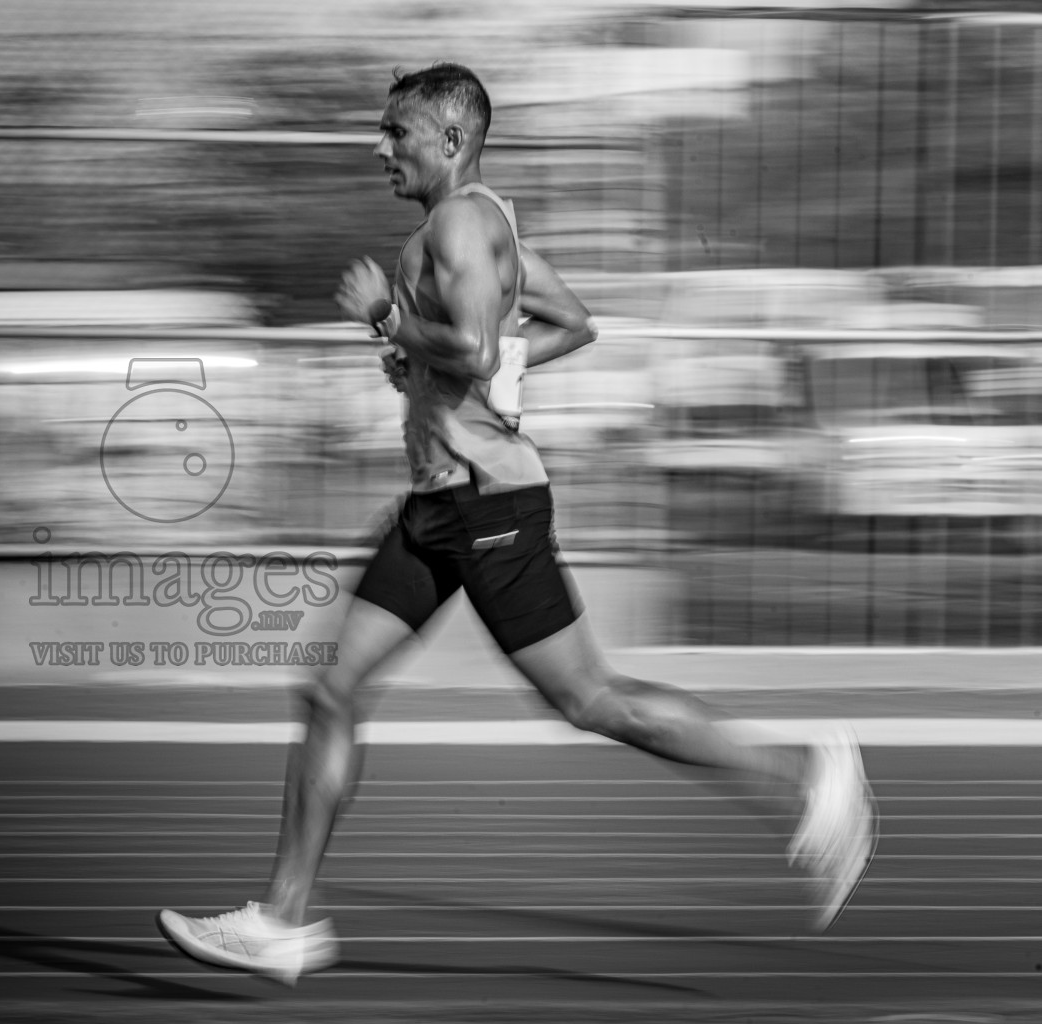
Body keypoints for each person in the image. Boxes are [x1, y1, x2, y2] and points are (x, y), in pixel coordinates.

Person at [155, 62, 877, 986]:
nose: (380, 148)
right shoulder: (481, 221)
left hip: (488, 508)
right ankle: (281, 921)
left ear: (449, 141)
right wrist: (455, 373)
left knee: (591, 703)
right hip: (434, 509)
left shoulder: (458, 223)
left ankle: (808, 777)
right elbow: (569, 324)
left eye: (395, 133)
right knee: (332, 689)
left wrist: (389, 321)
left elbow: (474, 343)